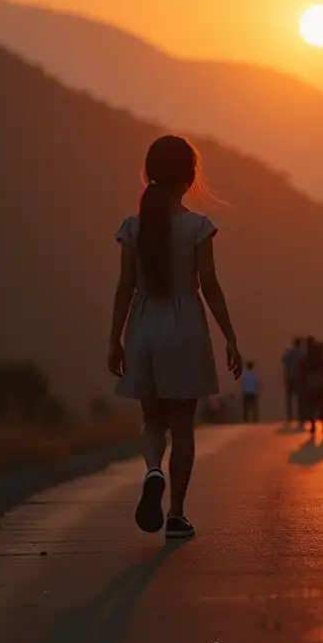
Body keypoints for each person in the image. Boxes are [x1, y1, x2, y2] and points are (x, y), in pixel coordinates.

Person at [107, 135, 243, 539]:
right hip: (185, 326)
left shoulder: (132, 229)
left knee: (153, 419)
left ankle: (152, 471)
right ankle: (177, 514)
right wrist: (231, 338)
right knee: (183, 425)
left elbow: (124, 287)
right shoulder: (197, 227)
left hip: (144, 324)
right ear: (189, 178)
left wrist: (114, 338)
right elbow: (211, 286)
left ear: (149, 174)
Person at [301, 338, 323, 440]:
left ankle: (313, 426)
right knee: (321, 408)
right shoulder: (320, 360)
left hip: (310, 388)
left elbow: (302, 374)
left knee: (311, 408)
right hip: (320, 387)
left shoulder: (306, 360)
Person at [281, 337, 304, 426]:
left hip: (289, 378)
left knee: (289, 400)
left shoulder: (289, 353)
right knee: (300, 400)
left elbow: (283, 361)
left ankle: (289, 418)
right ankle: (300, 418)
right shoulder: (302, 354)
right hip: (299, 379)